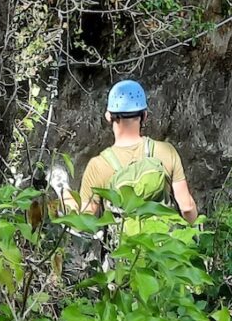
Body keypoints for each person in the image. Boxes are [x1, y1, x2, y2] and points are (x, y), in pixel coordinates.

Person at [68, 79, 198, 231]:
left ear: (109, 116)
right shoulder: (166, 151)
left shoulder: (98, 165)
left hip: (126, 252)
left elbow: (85, 219)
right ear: (144, 115)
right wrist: (195, 236)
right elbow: (187, 207)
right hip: (164, 249)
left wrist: (66, 196)